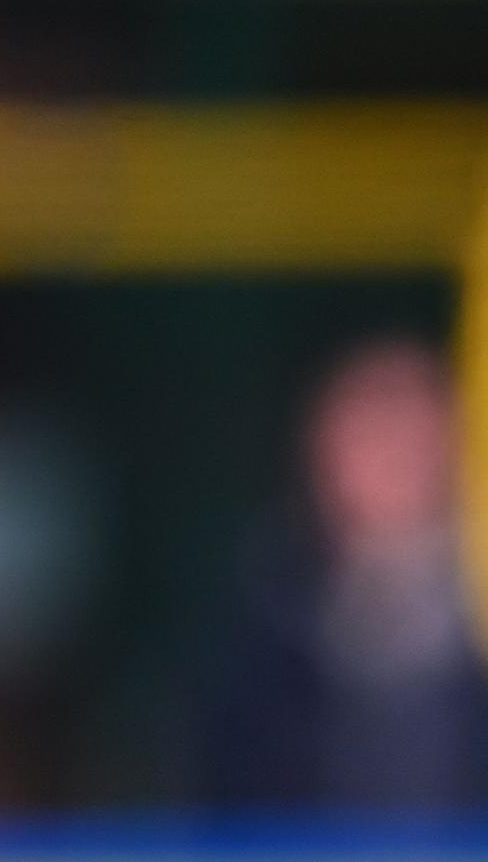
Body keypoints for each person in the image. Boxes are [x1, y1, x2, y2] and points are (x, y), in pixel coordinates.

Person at [202, 337, 488, 816]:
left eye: (412, 426)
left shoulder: (473, 611)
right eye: (371, 428)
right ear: (318, 447)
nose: (394, 455)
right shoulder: (262, 618)